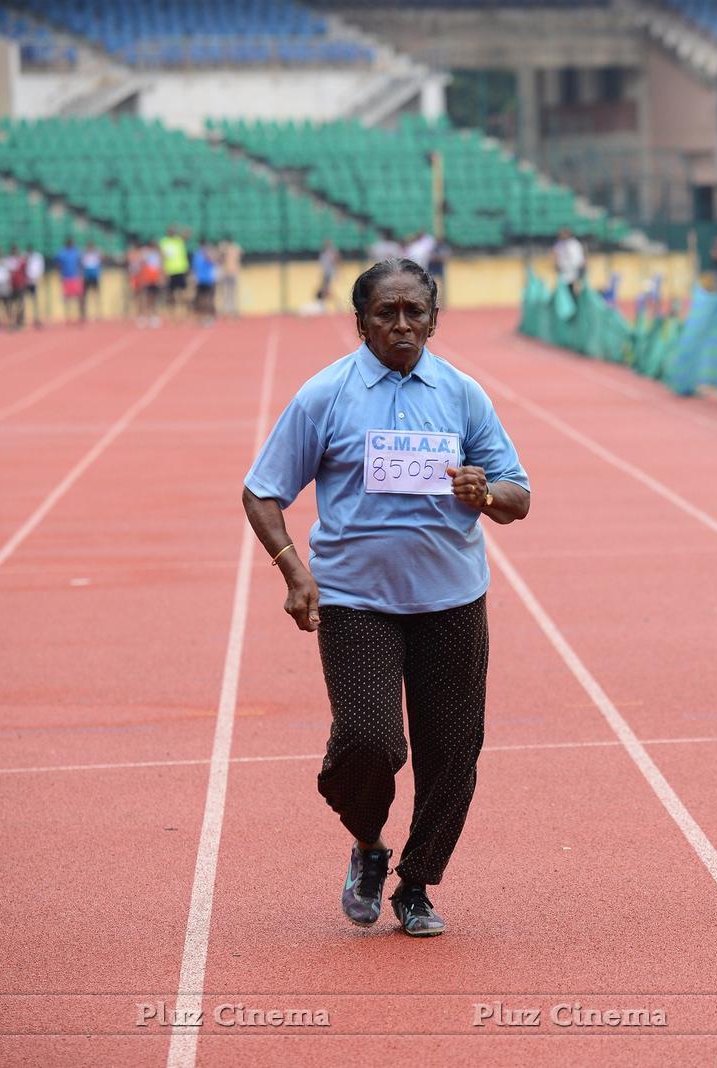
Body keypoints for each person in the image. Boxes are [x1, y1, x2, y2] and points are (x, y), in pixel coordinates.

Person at [242, 259, 531, 936]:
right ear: (361, 321)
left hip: (452, 599)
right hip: (355, 599)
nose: (402, 325)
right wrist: (293, 570)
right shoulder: (327, 395)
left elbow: (518, 494)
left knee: (454, 751)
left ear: (434, 318)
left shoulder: (461, 395)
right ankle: (369, 843)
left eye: (415, 312)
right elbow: (262, 491)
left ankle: (417, 884)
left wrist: (483, 493)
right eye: (386, 313)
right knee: (370, 742)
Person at [160, 225, 190, 317]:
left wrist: (181, 229)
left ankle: (184, 312)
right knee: (171, 294)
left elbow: (188, 233)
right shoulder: (164, 242)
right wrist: (164, 271)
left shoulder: (179, 240)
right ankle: (172, 314)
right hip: (170, 271)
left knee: (183, 293)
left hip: (181, 270)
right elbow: (162, 256)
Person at [55, 237, 83, 323]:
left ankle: (80, 315)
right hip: (66, 278)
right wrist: (60, 273)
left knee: (79, 297)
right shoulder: (62, 253)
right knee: (67, 298)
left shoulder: (76, 252)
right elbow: (57, 263)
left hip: (75, 277)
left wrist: (80, 274)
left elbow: (80, 264)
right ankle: (68, 316)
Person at [191, 238, 218, 324]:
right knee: (201, 299)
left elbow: (212, 263)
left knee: (207, 299)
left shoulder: (207, 253)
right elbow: (194, 268)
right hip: (201, 279)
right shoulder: (197, 254)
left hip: (207, 279)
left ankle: (208, 316)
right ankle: (202, 317)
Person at [552, 227, 585, 292]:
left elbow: (579, 257)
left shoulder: (575, 244)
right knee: (565, 288)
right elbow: (555, 255)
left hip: (574, 270)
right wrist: (557, 264)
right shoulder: (559, 244)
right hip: (564, 271)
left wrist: (581, 266)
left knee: (575, 288)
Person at [218, 237, 242, 318]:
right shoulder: (232, 248)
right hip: (227, 272)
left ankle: (233, 310)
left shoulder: (233, 248)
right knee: (226, 292)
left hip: (231, 272)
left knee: (232, 292)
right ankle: (227, 310)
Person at [80, 240, 103, 321]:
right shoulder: (84, 255)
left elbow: (99, 266)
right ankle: (84, 314)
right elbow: (82, 266)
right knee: (85, 296)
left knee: (96, 295)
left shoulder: (96, 255)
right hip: (87, 277)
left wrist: (99, 275)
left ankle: (97, 313)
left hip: (94, 277)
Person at [25, 244, 45, 327]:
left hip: (34, 282)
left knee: (35, 301)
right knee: (23, 301)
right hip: (25, 282)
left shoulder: (37, 258)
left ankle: (36, 318)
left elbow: (40, 269)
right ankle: (22, 318)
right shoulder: (25, 257)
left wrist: (37, 278)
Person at [316, 238, 339, 304]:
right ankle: (334, 302)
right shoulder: (324, 253)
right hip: (326, 273)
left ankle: (334, 302)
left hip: (328, 273)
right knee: (325, 289)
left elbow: (334, 262)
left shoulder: (330, 253)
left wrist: (337, 273)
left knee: (325, 289)